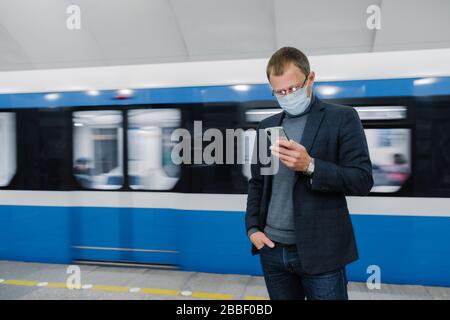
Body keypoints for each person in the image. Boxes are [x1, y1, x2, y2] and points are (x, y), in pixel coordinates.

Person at [245, 47, 373, 300]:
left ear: (310, 78)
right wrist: (252, 229)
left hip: (321, 252)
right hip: (272, 250)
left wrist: (311, 165)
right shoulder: (267, 126)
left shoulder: (342, 118)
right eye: (279, 92)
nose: (287, 96)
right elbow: (257, 183)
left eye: (292, 89)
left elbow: (362, 180)